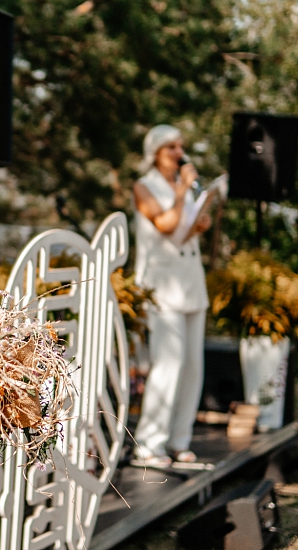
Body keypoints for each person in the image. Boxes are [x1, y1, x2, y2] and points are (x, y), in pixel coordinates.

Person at [131, 124, 212, 468]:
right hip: (161, 285)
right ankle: (149, 443)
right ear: (156, 153)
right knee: (169, 362)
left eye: (181, 147)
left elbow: (182, 230)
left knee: (193, 365)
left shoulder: (184, 188)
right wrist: (182, 194)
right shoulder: (144, 186)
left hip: (191, 280)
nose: (180, 153)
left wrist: (200, 222)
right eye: (172, 148)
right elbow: (163, 224)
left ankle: (179, 439)